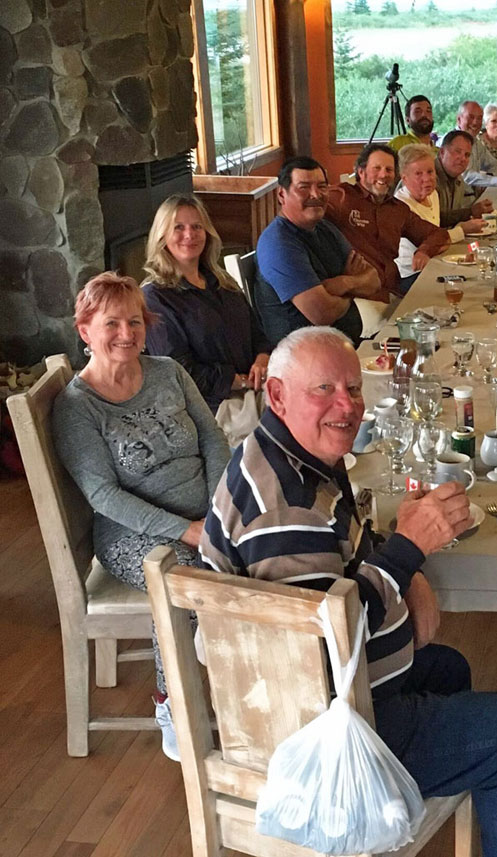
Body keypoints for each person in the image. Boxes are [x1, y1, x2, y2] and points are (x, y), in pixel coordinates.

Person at [200, 327, 497, 857]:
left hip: (318, 693)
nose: (346, 406)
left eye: (352, 388)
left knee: (449, 670)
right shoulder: (287, 512)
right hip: (318, 727)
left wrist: (405, 570)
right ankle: (382, 805)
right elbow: (328, 648)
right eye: (323, 389)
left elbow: (340, 562)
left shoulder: (283, 453)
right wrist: (406, 552)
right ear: (276, 395)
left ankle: (416, 809)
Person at [53, 273, 231, 762]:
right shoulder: (77, 406)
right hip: (131, 532)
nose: (126, 333)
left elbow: (214, 440)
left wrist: (218, 509)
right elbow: (103, 495)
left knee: (272, 545)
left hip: (206, 511)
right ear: (85, 329)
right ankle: (172, 701)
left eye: (135, 321)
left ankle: (259, 682)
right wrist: (188, 530)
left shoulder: (168, 371)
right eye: (112, 323)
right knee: (181, 578)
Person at [141, 194, 271, 417]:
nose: (189, 235)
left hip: (256, 388)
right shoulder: (155, 296)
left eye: (197, 227)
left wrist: (263, 359)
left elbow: (258, 334)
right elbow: (177, 371)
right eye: (178, 227)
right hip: (211, 406)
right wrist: (238, 381)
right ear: (162, 236)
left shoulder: (222, 281)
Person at [254, 156, 381, 347]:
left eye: (322, 186)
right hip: (306, 358)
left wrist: (344, 282)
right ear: (281, 195)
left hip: (345, 345)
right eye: (304, 187)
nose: (316, 194)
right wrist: (353, 289)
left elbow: (374, 280)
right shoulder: (279, 244)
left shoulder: (325, 229)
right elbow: (322, 314)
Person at [326, 144, 451, 295]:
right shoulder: (342, 198)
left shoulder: (398, 209)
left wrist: (424, 251)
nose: (383, 174)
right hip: (360, 294)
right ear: (361, 172)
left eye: (389, 170)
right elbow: (311, 204)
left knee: (448, 288)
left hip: (393, 289)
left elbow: (439, 234)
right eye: (376, 168)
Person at [395, 144, 485, 279]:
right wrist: (461, 230)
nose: (427, 178)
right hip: (412, 273)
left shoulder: (433, 195)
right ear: (404, 178)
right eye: (418, 174)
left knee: (478, 266)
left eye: (430, 172)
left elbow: (437, 239)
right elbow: (430, 244)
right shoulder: (400, 205)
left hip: (435, 262)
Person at [435, 130, 495, 229]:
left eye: (467, 155)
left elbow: (451, 220)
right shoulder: (428, 177)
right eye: (457, 152)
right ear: (442, 152)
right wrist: (470, 212)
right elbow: (434, 220)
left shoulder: (459, 180)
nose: (462, 158)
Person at [456, 100, 497, 189]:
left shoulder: (476, 143)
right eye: (471, 117)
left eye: (479, 118)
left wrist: (487, 176)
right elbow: (465, 177)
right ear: (459, 120)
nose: (475, 123)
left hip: (473, 196)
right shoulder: (450, 142)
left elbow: (496, 166)